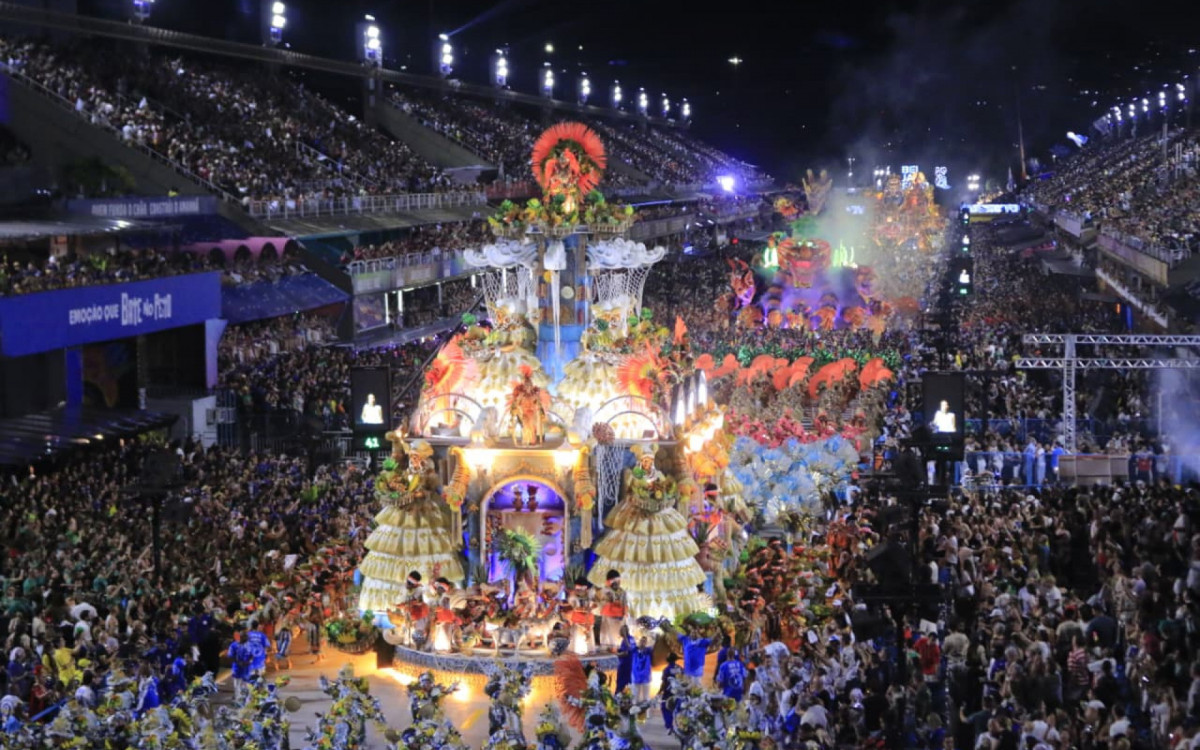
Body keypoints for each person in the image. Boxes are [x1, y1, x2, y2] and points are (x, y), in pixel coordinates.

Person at [659, 652, 683, 735]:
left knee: (665, 708)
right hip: (679, 693)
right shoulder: (680, 668)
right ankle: (680, 726)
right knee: (678, 709)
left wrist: (660, 691)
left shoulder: (666, 669)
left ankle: (669, 726)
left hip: (668, 693)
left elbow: (664, 682)